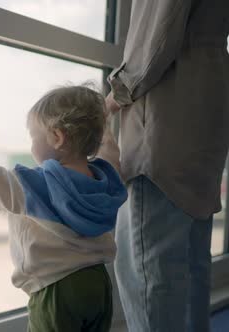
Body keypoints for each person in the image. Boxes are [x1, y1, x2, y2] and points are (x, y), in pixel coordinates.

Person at [0, 84, 127, 331]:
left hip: (56, 289)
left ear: (57, 137)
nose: (31, 145)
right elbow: (110, 156)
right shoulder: (105, 183)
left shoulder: (37, 185)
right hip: (98, 284)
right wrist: (104, 124)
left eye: (33, 136)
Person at [105, 0, 229, 331]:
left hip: (164, 123)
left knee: (150, 278)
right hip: (203, 111)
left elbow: (155, 36)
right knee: (190, 269)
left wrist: (108, 101)